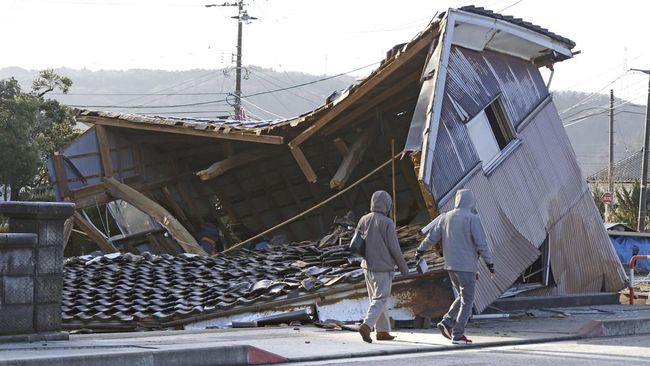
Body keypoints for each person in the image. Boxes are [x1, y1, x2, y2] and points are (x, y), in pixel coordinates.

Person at [416, 189, 494, 345]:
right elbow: (481, 244)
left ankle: (447, 321)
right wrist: (490, 263)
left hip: (451, 266)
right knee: (468, 301)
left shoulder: (446, 217)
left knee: (462, 297)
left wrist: (420, 249)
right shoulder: (473, 219)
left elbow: (432, 236)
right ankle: (458, 335)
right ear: (471, 201)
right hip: (467, 267)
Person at [356, 190, 409, 343]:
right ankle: (366, 325)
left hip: (367, 266)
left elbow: (357, 243)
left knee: (377, 299)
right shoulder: (387, 223)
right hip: (382, 267)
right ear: (387, 204)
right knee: (380, 298)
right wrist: (404, 269)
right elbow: (395, 249)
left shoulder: (363, 219)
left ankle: (383, 331)